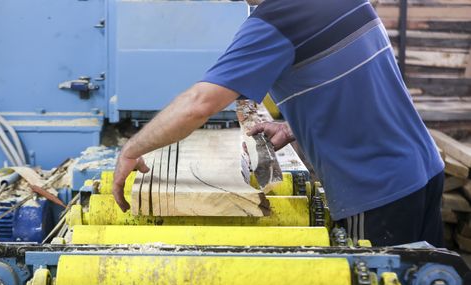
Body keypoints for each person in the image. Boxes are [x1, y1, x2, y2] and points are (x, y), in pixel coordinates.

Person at [113, 0, 445, 247]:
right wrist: (291, 127)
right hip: (424, 169)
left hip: (377, 189)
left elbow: (199, 105)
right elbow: (357, 89)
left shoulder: (276, 19)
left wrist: (132, 148)